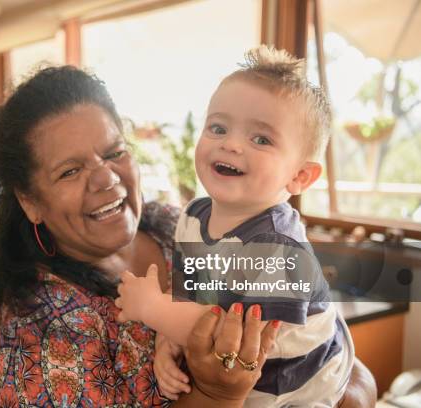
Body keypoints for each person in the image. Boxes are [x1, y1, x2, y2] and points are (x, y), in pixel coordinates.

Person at [0, 66, 376, 407]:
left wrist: (354, 389)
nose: (105, 178)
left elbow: (318, 338)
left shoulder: (172, 223)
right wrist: (213, 391)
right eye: (69, 171)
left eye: (114, 153)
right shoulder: (38, 340)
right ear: (30, 201)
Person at [116, 45, 353, 407]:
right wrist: (168, 343)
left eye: (261, 139)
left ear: (300, 176)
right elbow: (192, 297)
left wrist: (151, 308)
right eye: (218, 127)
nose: (230, 144)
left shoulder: (277, 245)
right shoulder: (194, 217)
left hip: (303, 382)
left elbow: (226, 331)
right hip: (245, 374)